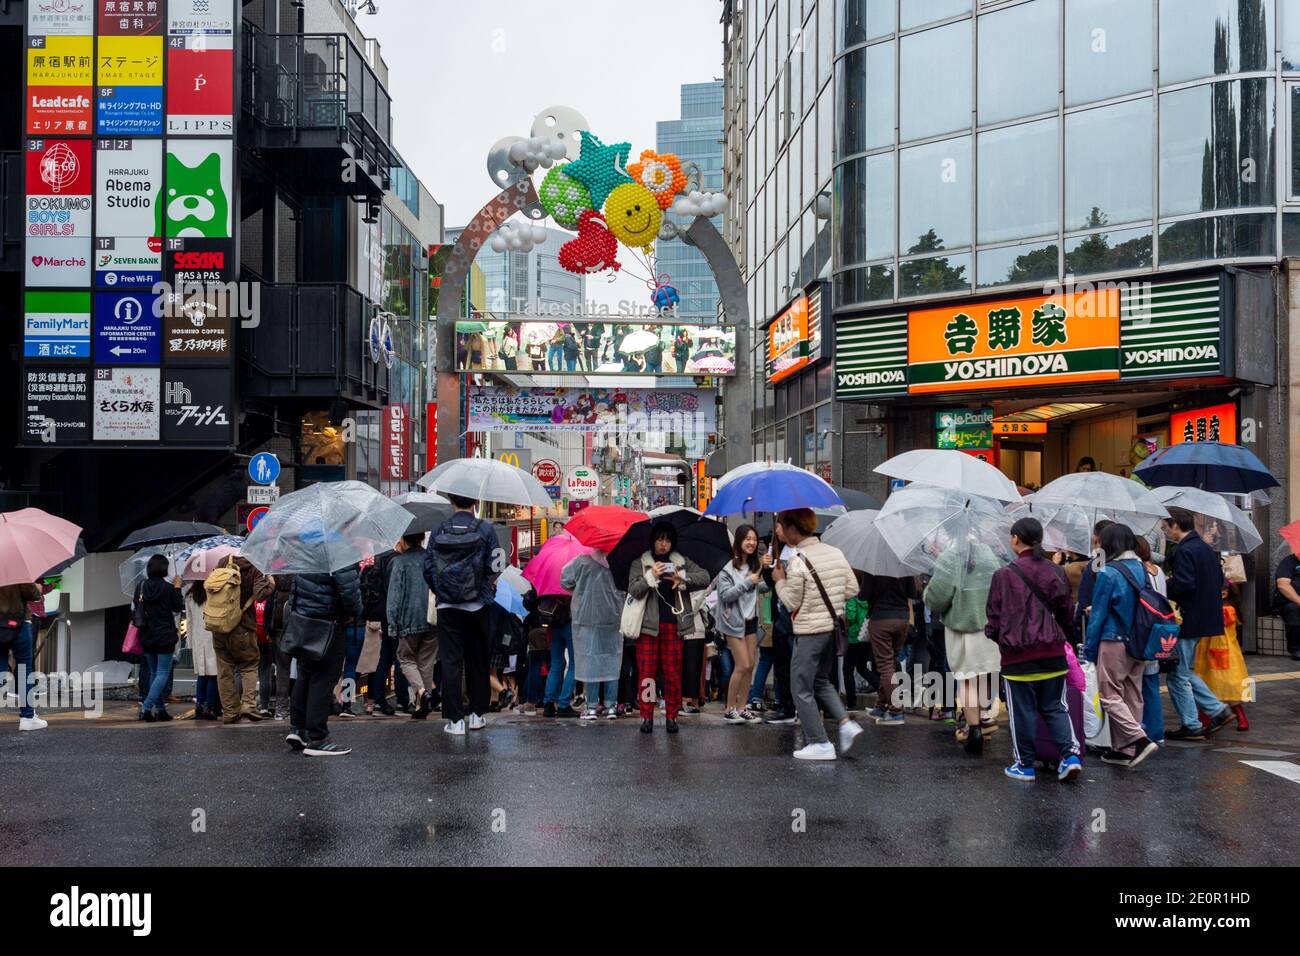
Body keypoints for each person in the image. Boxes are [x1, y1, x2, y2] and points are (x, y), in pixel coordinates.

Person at [984, 517, 1083, 783]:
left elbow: (993, 618)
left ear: (1015, 538)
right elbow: (1066, 612)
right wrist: (1065, 640)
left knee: (1023, 711)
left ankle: (1024, 764)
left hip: (1018, 657)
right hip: (1052, 652)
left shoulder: (1003, 575)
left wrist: (998, 638)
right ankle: (1070, 757)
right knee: (1055, 707)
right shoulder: (1056, 571)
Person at [769, 508, 865, 761]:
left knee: (799, 686)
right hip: (832, 630)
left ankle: (819, 742)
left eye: (782, 526)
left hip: (810, 631)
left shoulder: (800, 560)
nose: (779, 531)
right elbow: (853, 588)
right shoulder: (835, 552)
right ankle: (845, 723)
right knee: (821, 681)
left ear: (792, 529)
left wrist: (779, 579)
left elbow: (790, 601)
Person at [423, 492, 501, 736]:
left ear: (451, 502)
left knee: (451, 662)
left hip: (448, 607)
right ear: (476, 502)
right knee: (478, 660)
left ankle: (455, 720)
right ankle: (477, 715)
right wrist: (486, 585)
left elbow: (427, 567)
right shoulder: (486, 530)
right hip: (478, 605)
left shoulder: (439, 530)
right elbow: (497, 564)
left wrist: (442, 591)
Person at [1084, 524, 1160, 769]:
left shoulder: (1108, 572)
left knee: (1109, 696)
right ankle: (1124, 750)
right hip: (1139, 639)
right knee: (1132, 694)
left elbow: (1098, 615)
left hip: (1113, 639)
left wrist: (1089, 649)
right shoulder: (1142, 568)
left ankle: (1137, 739)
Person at [625, 520, 710, 734]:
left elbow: (705, 577)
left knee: (673, 674)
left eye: (668, 540)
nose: (664, 544)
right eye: (660, 539)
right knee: (647, 674)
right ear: (653, 540)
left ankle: (672, 716)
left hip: (674, 624)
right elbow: (634, 589)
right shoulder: (641, 563)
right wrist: (650, 576)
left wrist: (682, 578)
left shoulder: (680, 561)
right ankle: (647, 716)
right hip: (647, 627)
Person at [1162, 507, 1235, 739]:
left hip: (1188, 617)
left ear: (1175, 525)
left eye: (1165, 526)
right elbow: (1218, 581)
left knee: (1178, 674)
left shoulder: (1185, 550)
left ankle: (1194, 723)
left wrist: (1166, 584)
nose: (1164, 531)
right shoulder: (1204, 547)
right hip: (1205, 617)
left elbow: (1185, 585)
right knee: (1183, 671)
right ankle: (1216, 711)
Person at [923, 540, 1001, 754]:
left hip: (961, 628)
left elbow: (937, 599)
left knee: (966, 680)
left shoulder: (950, 556)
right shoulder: (991, 554)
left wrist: (926, 592)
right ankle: (984, 717)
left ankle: (973, 730)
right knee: (985, 674)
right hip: (989, 626)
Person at [285, 565, 363, 756]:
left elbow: (294, 590)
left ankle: (298, 729)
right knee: (324, 679)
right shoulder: (340, 553)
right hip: (329, 623)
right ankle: (318, 738)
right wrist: (355, 611)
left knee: (305, 674)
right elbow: (351, 595)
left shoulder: (305, 551)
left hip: (304, 621)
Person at [714, 524, 769, 723]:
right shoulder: (727, 568)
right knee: (742, 664)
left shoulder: (754, 566)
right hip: (733, 621)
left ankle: (742, 707)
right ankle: (729, 709)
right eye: (747, 539)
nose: (752, 543)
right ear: (739, 541)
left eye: (754, 539)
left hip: (751, 620)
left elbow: (760, 587)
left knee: (750, 665)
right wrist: (748, 582)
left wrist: (768, 572)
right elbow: (725, 595)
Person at [210, 555, 274, 724]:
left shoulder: (223, 561)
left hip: (218, 625)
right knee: (248, 665)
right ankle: (248, 705)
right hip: (243, 625)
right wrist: (271, 585)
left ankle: (230, 712)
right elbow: (260, 595)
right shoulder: (255, 566)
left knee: (225, 671)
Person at [560, 548, 623, 719]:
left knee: (590, 661)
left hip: (586, 618)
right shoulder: (619, 561)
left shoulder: (582, 561)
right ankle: (611, 706)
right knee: (612, 660)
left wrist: (580, 588)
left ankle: (592, 706)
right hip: (613, 618)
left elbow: (565, 580)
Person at [388, 532, 438, 718]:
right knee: (426, 662)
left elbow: (394, 597)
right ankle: (421, 706)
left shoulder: (400, 562)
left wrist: (392, 624)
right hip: (432, 618)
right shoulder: (431, 559)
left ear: (403, 539)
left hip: (408, 619)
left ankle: (422, 693)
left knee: (406, 659)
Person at [860, 568, 918, 725]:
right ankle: (880, 705)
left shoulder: (872, 567)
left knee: (885, 666)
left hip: (880, 619)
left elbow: (863, 595)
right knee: (890, 663)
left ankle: (896, 710)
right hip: (901, 619)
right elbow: (913, 593)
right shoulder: (903, 564)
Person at [136, 555, 184, 722]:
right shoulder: (168, 588)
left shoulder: (141, 586)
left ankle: (161, 710)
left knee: (154, 673)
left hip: (147, 634)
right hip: (164, 635)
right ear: (164, 569)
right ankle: (147, 707)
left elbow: (137, 607)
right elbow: (178, 608)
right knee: (162, 672)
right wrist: (177, 587)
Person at [0, 581, 47, 731]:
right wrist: (37, 588)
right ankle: (27, 717)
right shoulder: (15, 566)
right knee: (24, 669)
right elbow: (31, 593)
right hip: (18, 622)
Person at [361, 550, 402, 716]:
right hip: (394, 613)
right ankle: (402, 701)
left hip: (381, 612)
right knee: (400, 656)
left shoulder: (376, 560)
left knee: (385, 656)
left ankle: (378, 700)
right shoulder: (395, 560)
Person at [1134, 536, 1166, 744]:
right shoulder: (1159, 571)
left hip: (1142, 629)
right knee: (1152, 683)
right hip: (1158, 629)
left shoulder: (1137, 571)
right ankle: (1156, 731)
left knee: (1138, 684)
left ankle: (1143, 731)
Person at [184, 582, 220, 720]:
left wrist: (190, 643)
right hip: (212, 636)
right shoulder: (213, 592)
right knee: (213, 674)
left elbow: (189, 621)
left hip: (197, 639)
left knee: (201, 675)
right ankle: (209, 707)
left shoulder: (190, 595)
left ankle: (199, 705)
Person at [1275, 546, 1300, 661]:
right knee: (1293, 609)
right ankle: (1296, 649)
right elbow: (1283, 585)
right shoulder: (1288, 562)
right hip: (1290, 601)